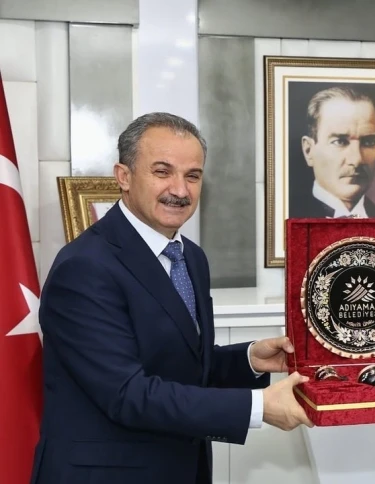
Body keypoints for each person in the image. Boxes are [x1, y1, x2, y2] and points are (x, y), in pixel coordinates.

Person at [30, 113, 313, 484]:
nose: (180, 190)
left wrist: (249, 359)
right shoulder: (84, 267)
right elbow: (127, 393)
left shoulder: (190, 256)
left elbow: (179, 365)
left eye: (192, 175)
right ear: (123, 176)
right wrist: (258, 407)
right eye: (162, 172)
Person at [291, 86, 375, 218]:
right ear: (308, 151)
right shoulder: (283, 217)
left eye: (368, 142)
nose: (357, 159)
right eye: (340, 142)